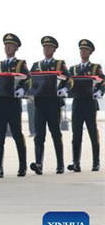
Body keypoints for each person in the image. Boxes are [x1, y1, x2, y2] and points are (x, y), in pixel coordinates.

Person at [0, 33, 31, 178]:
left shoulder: (20, 64)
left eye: (11, 45)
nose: (8, 47)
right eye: (6, 45)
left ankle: (22, 166)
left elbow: (28, 80)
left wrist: (22, 89)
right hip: (0, 103)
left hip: (13, 104)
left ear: (16, 48)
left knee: (17, 135)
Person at [29, 36, 69, 175]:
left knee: (56, 134)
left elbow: (68, 79)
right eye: (44, 47)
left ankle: (60, 164)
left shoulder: (59, 64)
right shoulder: (36, 66)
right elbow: (30, 81)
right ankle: (39, 163)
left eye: (49, 47)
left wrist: (64, 89)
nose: (46, 49)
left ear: (54, 49)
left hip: (53, 104)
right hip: (40, 104)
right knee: (39, 135)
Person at [68, 39, 102, 172]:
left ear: (90, 52)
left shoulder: (95, 68)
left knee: (93, 133)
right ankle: (76, 162)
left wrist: (99, 91)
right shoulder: (74, 69)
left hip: (89, 103)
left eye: (86, 50)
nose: (83, 52)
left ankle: (96, 162)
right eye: (81, 50)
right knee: (76, 135)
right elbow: (68, 83)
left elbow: (102, 81)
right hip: (77, 104)